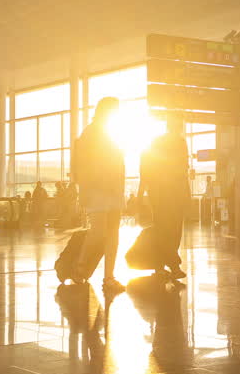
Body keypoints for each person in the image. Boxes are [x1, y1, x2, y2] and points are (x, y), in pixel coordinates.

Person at [71, 97, 125, 296]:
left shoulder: (108, 133)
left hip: (111, 188)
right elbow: (84, 165)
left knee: (112, 232)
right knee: (100, 232)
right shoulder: (91, 132)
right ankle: (80, 266)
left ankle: (108, 276)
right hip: (98, 189)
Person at [138, 113, 189, 280]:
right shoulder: (180, 143)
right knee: (172, 232)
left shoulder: (157, 142)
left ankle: (161, 266)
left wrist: (141, 194)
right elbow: (183, 171)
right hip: (171, 194)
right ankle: (172, 266)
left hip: (160, 195)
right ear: (179, 126)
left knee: (164, 231)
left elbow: (145, 169)